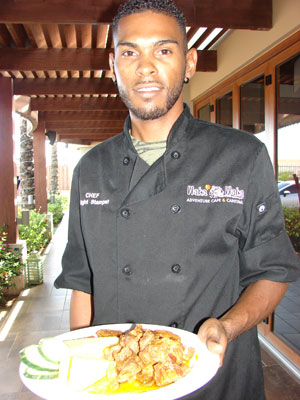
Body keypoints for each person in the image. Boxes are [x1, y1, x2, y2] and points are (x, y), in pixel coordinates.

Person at [55, 1, 300, 398]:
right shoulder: (91, 169)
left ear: (189, 63)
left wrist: (228, 325)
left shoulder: (242, 156)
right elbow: (83, 284)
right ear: (113, 64)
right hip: (119, 382)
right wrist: (80, 375)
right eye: (129, 52)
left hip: (215, 377)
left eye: (163, 51)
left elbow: (273, 270)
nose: (145, 67)